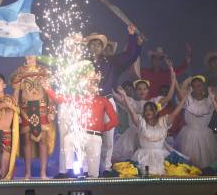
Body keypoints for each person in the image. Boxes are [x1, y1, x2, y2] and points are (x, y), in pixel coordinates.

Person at [82, 25, 142, 173]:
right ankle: (84, 168)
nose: (95, 47)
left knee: (108, 138)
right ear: (88, 47)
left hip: (107, 101)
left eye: (98, 44)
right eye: (92, 44)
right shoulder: (83, 64)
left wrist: (132, 36)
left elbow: (130, 55)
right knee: (86, 136)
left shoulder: (112, 62)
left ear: (102, 47)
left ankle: (106, 168)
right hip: (89, 104)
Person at [43, 68, 119, 178]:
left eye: (94, 83)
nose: (91, 86)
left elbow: (115, 121)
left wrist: (102, 128)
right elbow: (58, 99)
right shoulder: (79, 99)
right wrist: (47, 88)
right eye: (89, 83)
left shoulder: (104, 101)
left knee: (93, 174)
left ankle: (91, 179)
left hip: (95, 138)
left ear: (98, 86)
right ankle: (69, 169)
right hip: (80, 136)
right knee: (67, 139)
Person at [112, 62, 176, 162]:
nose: (142, 91)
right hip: (132, 136)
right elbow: (115, 95)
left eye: (144, 89)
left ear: (148, 90)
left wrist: (173, 81)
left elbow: (168, 97)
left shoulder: (153, 103)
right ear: (136, 90)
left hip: (148, 136)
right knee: (132, 163)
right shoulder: (131, 102)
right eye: (139, 89)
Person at [119, 85, 189, 175]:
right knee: (145, 178)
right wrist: (124, 96)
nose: (148, 112)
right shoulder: (141, 123)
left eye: (151, 110)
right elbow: (131, 111)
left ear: (155, 112)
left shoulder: (163, 122)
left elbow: (175, 113)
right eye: (146, 110)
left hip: (161, 156)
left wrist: (184, 98)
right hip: (142, 157)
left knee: (163, 177)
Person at [10, 56, 55, 179]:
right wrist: (16, 112)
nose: (30, 56)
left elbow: (49, 92)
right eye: (27, 53)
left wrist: (51, 109)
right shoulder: (20, 71)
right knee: (26, 140)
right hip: (25, 109)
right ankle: (28, 173)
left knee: (43, 140)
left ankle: (43, 173)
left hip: (41, 108)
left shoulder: (44, 70)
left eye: (32, 53)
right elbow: (16, 94)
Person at [175, 75, 217, 168]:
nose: (197, 88)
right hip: (189, 135)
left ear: (203, 86)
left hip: (205, 135)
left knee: (205, 163)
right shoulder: (188, 100)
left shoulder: (209, 101)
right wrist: (186, 82)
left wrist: (212, 96)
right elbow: (181, 94)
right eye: (194, 86)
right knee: (188, 164)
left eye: (199, 85)